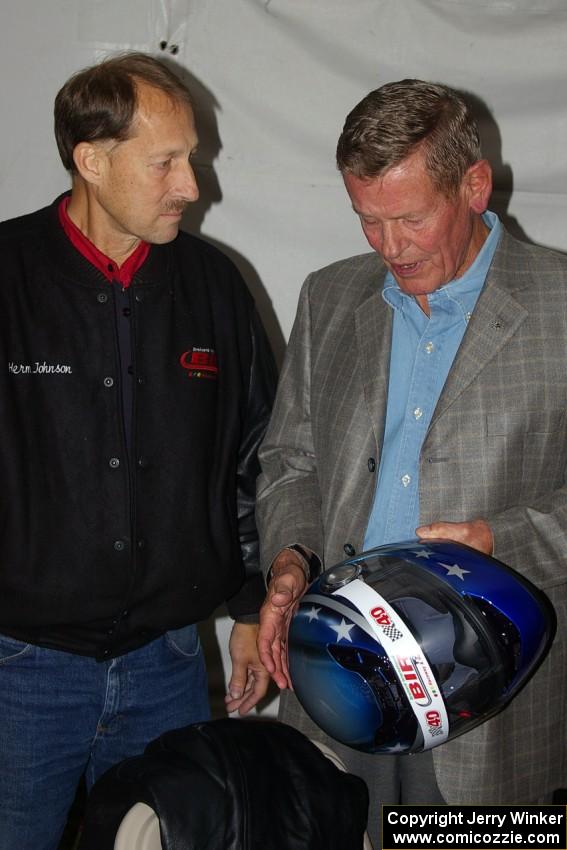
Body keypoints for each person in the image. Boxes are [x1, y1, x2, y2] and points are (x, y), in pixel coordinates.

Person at [256, 78, 567, 847]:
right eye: (368, 221)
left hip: (493, 707)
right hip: (334, 682)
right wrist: (291, 560)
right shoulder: (328, 297)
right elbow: (289, 460)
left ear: (473, 185)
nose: (390, 247)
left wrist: (502, 546)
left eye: (410, 219)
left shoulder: (562, 303)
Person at [0, 52, 276, 850]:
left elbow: (251, 456)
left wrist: (252, 606)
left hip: (167, 668)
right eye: (166, 162)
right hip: (22, 672)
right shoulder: (7, 277)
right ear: (90, 160)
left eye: (191, 158)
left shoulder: (216, 286)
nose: (192, 186)